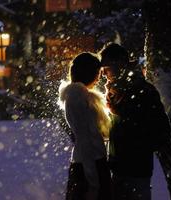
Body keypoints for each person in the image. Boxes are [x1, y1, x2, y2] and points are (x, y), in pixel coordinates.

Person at [100, 43, 171, 200]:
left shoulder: (143, 90)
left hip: (137, 169)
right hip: (118, 167)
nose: (104, 73)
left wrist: (138, 144)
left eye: (106, 67)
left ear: (120, 64)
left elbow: (161, 130)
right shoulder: (114, 93)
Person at [58, 52, 112, 200]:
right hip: (89, 166)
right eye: (98, 73)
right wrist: (93, 183)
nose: (99, 77)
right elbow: (85, 141)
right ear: (89, 72)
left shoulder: (80, 95)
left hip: (88, 165)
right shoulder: (78, 97)